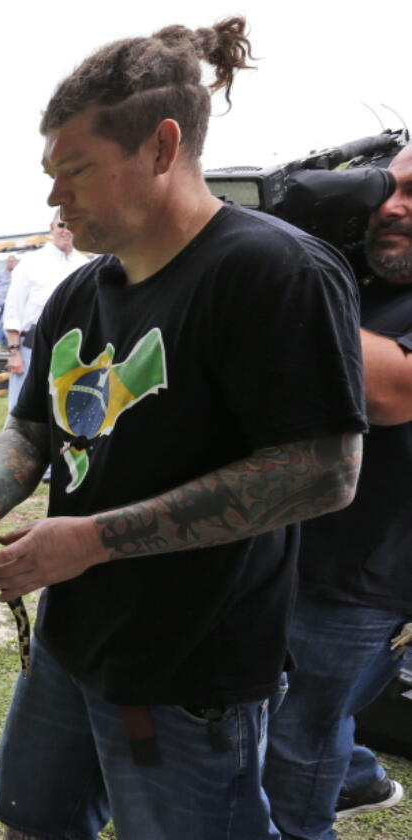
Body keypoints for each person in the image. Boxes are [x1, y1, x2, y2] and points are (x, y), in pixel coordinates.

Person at [0, 18, 366, 839]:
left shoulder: (275, 273)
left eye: (76, 170)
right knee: (32, 819)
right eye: (50, 172)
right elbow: (31, 427)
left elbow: (323, 469)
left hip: (191, 670)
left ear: (163, 148)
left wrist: (93, 540)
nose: (54, 196)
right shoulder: (80, 291)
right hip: (75, 643)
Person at [264, 142, 412, 838]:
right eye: (390, 192)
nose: (396, 208)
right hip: (290, 545)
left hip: (369, 577)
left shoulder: (327, 290)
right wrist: (381, 175)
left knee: (294, 749)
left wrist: (276, 300)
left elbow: (386, 390)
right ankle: (357, 774)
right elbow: (278, 205)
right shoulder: (350, 276)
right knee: (293, 712)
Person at [1, 213, 89, 414]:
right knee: (22, 412)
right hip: (32, 351)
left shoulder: (85, 265)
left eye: (70, 225)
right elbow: (13, 311)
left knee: (65, 412)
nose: (65, 230)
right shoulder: (30, 264)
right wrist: (14, 353)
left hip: (73, 353)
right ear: (51, 227)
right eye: (61, 225)